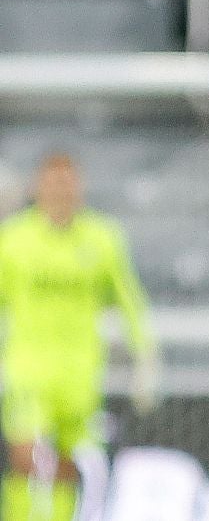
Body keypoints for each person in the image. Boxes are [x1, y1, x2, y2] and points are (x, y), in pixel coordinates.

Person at [0, 155, 157, 521]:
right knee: (27, 457)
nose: (59, 191)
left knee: (68, 466)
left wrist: (145, 357)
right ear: (37, 188)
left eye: (67, 184)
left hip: (82, 374)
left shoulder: (103, 239)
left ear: (79, 189)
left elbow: (130, 300)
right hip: (29, 371)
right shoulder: (13, 240)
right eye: (52, 183)